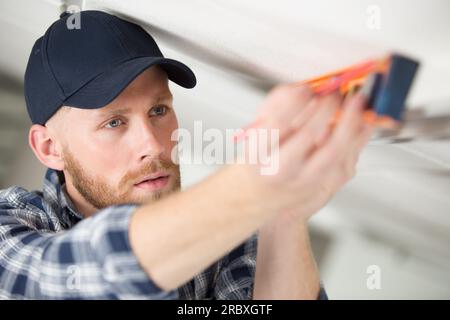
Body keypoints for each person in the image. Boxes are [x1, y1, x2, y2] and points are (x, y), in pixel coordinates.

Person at [0, 10, 374, 299]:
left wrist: (285, 213)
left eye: (159, 111)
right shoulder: (10, 226)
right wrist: (254, 183)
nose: (153, 144)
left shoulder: (225, 235)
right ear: (49, 148)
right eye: (114, 123)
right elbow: (86, 275)